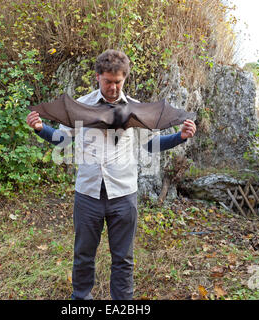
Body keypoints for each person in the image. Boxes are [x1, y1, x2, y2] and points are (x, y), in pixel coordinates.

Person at [27, 49, 196, 300]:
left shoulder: (137, 110)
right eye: (108, 81)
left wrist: (178, 137)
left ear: (124, 79)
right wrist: (42, 129)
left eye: (118, 82)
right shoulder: (80, 106)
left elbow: (150, 145)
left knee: (123, 258)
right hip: (88, 193)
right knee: (83, 254)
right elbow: (62, 139)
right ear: (98, 77)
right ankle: (81, 300)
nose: (113, 87)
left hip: (123, 194)